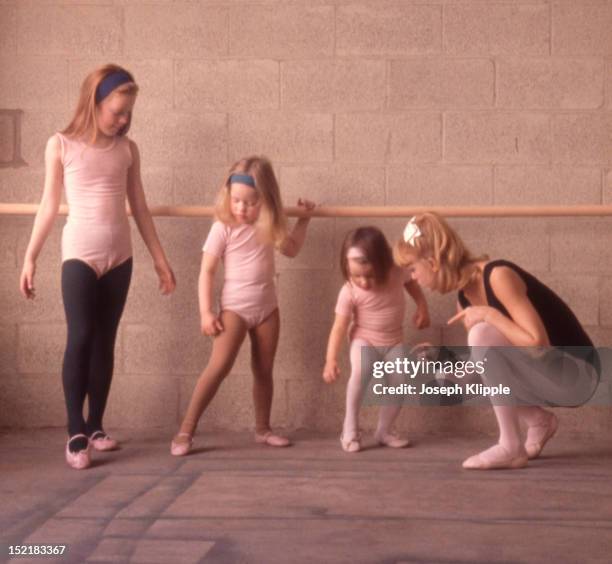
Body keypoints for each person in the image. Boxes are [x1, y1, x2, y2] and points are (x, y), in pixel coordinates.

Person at [19, 64, 176, 470]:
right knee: (82, 336)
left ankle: (95, 425)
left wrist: (160, 259)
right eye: (117, 112)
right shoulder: (61, 144)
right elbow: (49, 205)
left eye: (129, 113)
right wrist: (30, 256)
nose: (123, 120)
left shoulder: (127, 149)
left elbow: (139, 207)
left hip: (120, 257)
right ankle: (74, 432)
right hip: (80, 256)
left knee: (106, 340)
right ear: (95, 102)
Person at [394, 212, 599, 470]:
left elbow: (538, 344)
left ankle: (510, 446)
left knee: (480, 334)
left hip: (578, 375)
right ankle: (538, 420)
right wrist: (443, 359)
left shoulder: (498, 275)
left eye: (413, 269)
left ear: (433, 262)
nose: (413, 278)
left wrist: (489, 314)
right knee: (454, 376)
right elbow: (489, 361)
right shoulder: (464, 297)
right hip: (547, 377)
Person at [171, 156, 315, 456]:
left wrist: (304, 220)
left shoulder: (269, 225)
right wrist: (206, 312)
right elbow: (207, 271)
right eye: (236, 200)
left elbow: (291, 249)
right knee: (218, 367)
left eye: (250, 203)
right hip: (234, 309)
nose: (241, 209)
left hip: (268, 309)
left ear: (266, 200)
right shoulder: (223, 227)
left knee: (264, 369)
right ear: (228, 197)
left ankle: (263, 429)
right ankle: (185, 431)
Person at [323, 226, 430, 453]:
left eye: (369, 275)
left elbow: (411, 282)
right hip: (364, 339)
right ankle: (350, 427)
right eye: (356, 275)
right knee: (361, 372)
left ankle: (384, 430)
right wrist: (330, 359)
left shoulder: (396, 271)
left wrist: (422, 305)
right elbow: (339, 327)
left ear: (383, 264)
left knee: (400, 383)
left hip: (393, 341)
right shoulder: (349, 291)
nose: (363, 281)